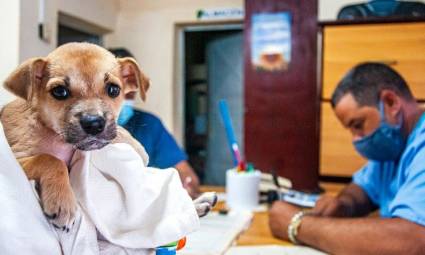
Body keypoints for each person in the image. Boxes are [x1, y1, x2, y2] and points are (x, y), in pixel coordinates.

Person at [268, 63, 425, 254]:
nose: (356, 139)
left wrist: (297, 225)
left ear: (391, 102)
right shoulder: (393, 149)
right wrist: (343, 204)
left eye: (358, 125)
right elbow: (362, 189)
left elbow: (412, 240)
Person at [109, 48, 200, 198]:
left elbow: (186, 174)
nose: (125, 96)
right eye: (116, 90)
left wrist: (186, 184)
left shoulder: (149, 124)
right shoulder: (86, 130)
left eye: (131, 91)